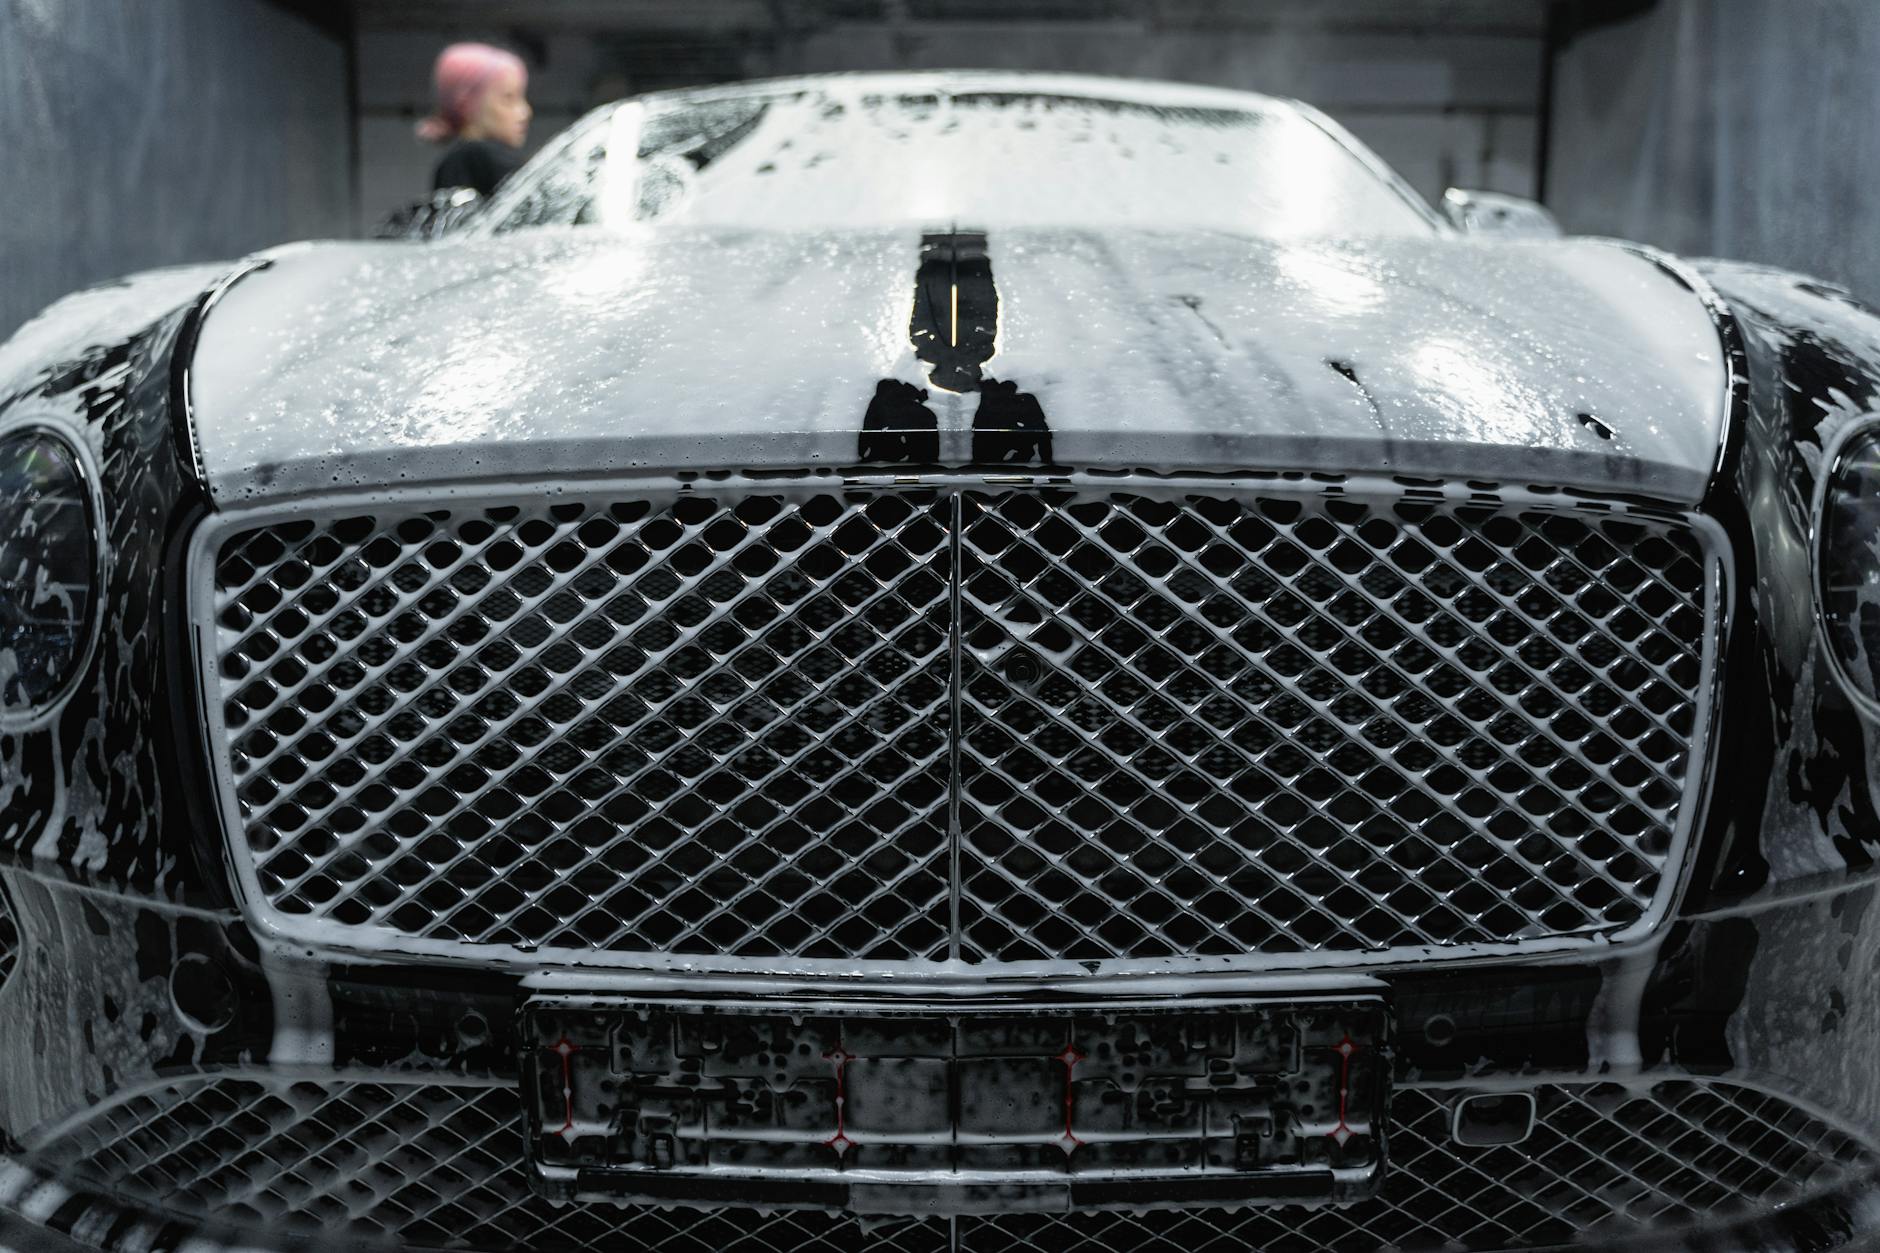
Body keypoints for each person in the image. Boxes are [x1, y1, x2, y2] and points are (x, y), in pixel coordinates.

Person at [418, 43, 533, 198]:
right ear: (467, 103)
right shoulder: (478, 157)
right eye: (508, 98)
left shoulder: (455, 162)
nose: (525, 112)